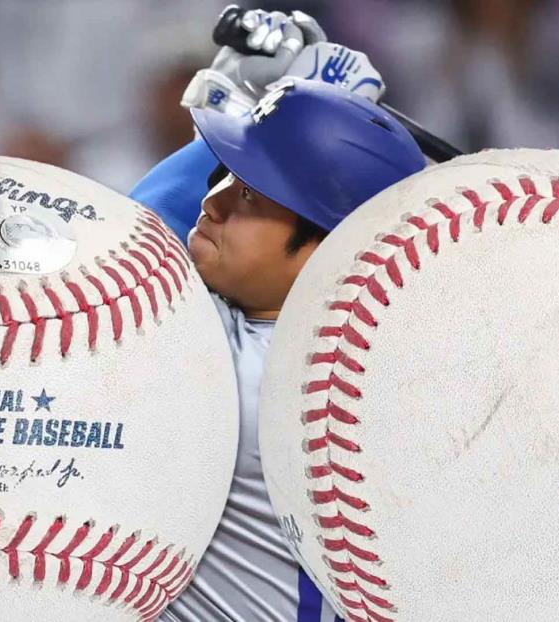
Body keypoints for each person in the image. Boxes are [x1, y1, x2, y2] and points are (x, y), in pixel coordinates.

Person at [129, 8, 426, 621]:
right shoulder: (387, 356)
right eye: (221, 176)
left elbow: (123, 244)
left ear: (325, 248)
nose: (211, 202)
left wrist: (243, 82)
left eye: (249, 195)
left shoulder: (243, 374)